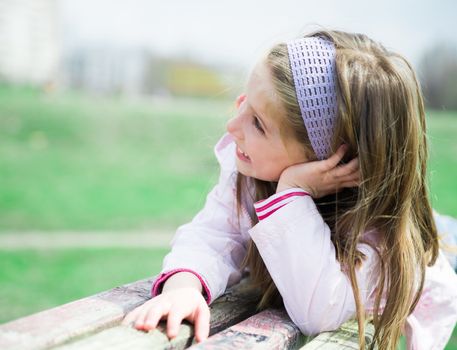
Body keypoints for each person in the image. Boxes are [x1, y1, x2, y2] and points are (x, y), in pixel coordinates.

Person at [122, 30, 457, 349]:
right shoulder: (249, 176)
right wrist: (184, 287)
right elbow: (213, 234)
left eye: (258, 124)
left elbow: (318, 312)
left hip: (443, 248)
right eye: (243, 103)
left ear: (328, 160)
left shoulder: (375, 232)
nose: (231, 126)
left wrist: (291, 192)